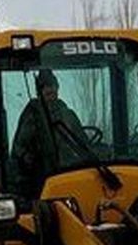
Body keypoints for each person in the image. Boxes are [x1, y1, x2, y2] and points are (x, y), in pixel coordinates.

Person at [11, 68, 89, 197]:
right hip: (42, 176)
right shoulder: (33, 115)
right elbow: (19, 148)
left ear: (57, 88)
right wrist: (29, 158)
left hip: (70, 170)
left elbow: (83, 142)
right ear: (39, 91)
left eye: (52, 86)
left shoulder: (67, 114)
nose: (50, 90)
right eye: (46, 87)